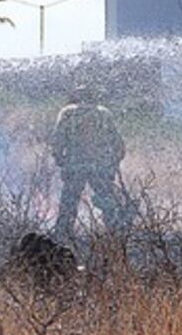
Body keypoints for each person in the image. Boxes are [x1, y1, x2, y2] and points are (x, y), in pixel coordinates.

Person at [49, 85, 126, 239]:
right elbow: (118, 144)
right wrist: (113, 162)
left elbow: (57, 141)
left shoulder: (68, 113)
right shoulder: (104, 114)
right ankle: (114, 233)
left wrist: (61, 160)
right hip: (100, 166)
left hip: (75, 165)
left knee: (69, 202)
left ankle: (63, 233)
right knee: (107, 201)